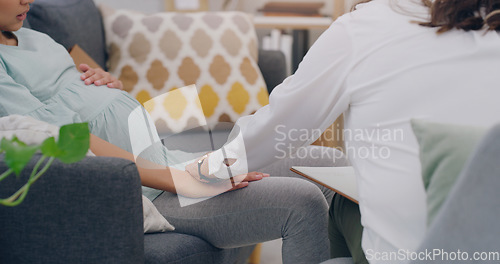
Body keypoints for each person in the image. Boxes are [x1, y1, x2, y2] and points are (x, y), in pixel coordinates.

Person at [0, 0, 348, 263]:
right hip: (145, 192)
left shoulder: (33, 37)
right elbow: (63, 138)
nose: (27, 0)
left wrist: (107, 85)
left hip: (171, 159)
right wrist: (185, 180)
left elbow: (79, 96)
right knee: (303, 202)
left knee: (329, 164)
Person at [190, 0, 500, 263]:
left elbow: (278, 129)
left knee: (341, 203)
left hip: (412, 253)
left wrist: (209, 168)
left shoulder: (366, 28)